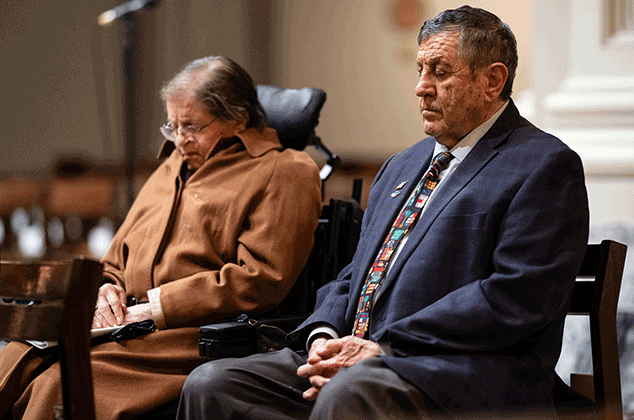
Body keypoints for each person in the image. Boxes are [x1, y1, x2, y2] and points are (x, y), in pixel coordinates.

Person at [176, 6, 590, 420]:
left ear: (492, 81)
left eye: (440, 72)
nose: (421, 88)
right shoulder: (402, 165)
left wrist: (386, 347)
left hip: (461, 372)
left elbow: (515, 297)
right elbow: (355, 275)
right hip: (365, 361)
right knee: (213, 384)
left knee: (349, 393)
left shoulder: (542, 164)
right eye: (420, 70)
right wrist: (323, 336)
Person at [0, 56, 322, 419]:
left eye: (193, 126)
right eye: (172, 126)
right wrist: (105, 288)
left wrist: (156, 306)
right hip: (124, 324)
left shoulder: (285, 171)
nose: (180, 140)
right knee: (13, 361)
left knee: (58, 387)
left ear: (237, 119)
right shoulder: (172, 165)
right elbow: (115, 260)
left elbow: (260, 279)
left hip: (187, 337)